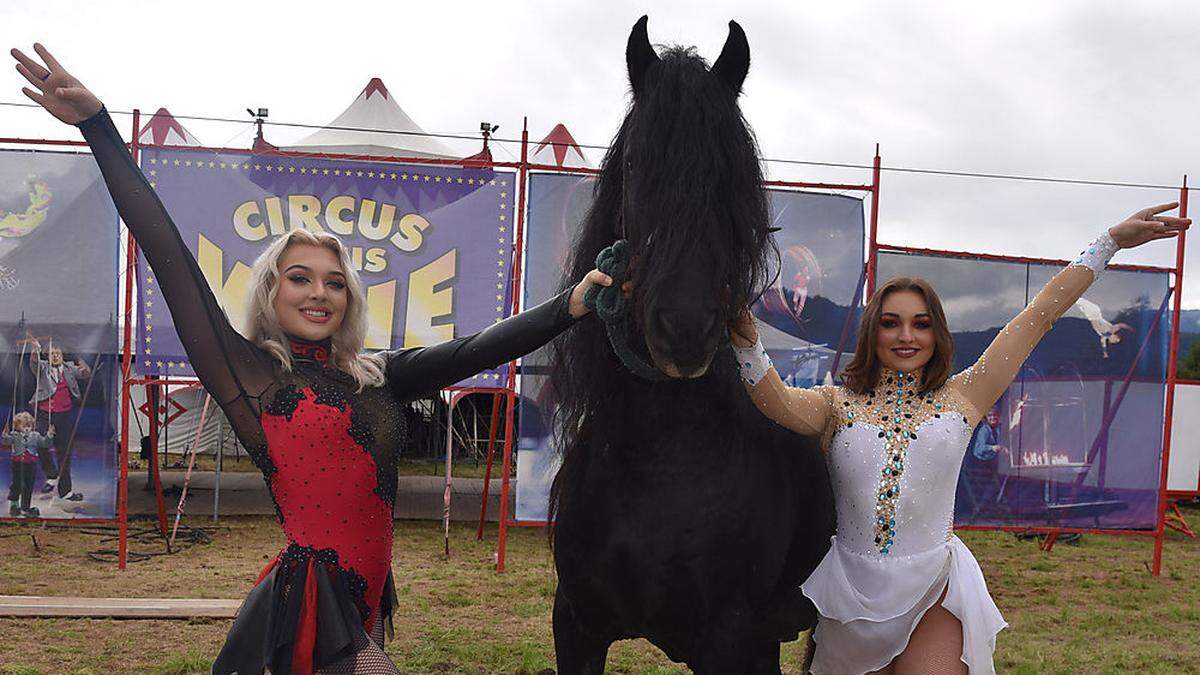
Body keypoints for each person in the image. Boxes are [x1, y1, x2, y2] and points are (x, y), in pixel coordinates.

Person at [12, 43, 611, 674]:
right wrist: (97, 124)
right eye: (300, 278)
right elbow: (164, 247)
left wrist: (567, 305)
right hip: (312, 608)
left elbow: (474, 349)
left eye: (333, 280)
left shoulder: (375, 372)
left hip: (368, 598)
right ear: (271, 290)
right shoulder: (249, 375)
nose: (319, 292)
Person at [731, 205, 1187, 674]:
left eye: (921, 323)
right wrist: (745, 337)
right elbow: (774, 399)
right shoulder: (836, 404)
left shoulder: (965, 394)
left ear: (937, 333)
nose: (906, 335)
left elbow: (1038, 317)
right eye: (891, 322)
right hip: (852, 597)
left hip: (934, 588)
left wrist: (1108, 241)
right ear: (873, 331)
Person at [27, 340, 91, 500]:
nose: (55, 356)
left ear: (62, 356)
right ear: (47, 357)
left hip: (64, 415)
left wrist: (85, 368)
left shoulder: (69, 368)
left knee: (65, 452)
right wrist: (35, 350)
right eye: (51, 354)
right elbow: (34, 363)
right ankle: (51, 474)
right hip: (44, 414)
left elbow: (84, 374)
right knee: (40, 444)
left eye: (58, 353)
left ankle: (66, 491)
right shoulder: (43, 368)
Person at [4, 412, 54, 517]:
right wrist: (4, 435)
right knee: (16, 484)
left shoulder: (35, 435)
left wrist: (49, 435)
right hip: (17, 464)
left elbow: (45, 444)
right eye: (24, 426)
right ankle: (14, 505)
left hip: (30, 465)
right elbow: (6, 442)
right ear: (18, 426)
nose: (27, 428)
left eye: (29, 426)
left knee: (28, 486)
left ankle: (25, 508)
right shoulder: (14, 435)